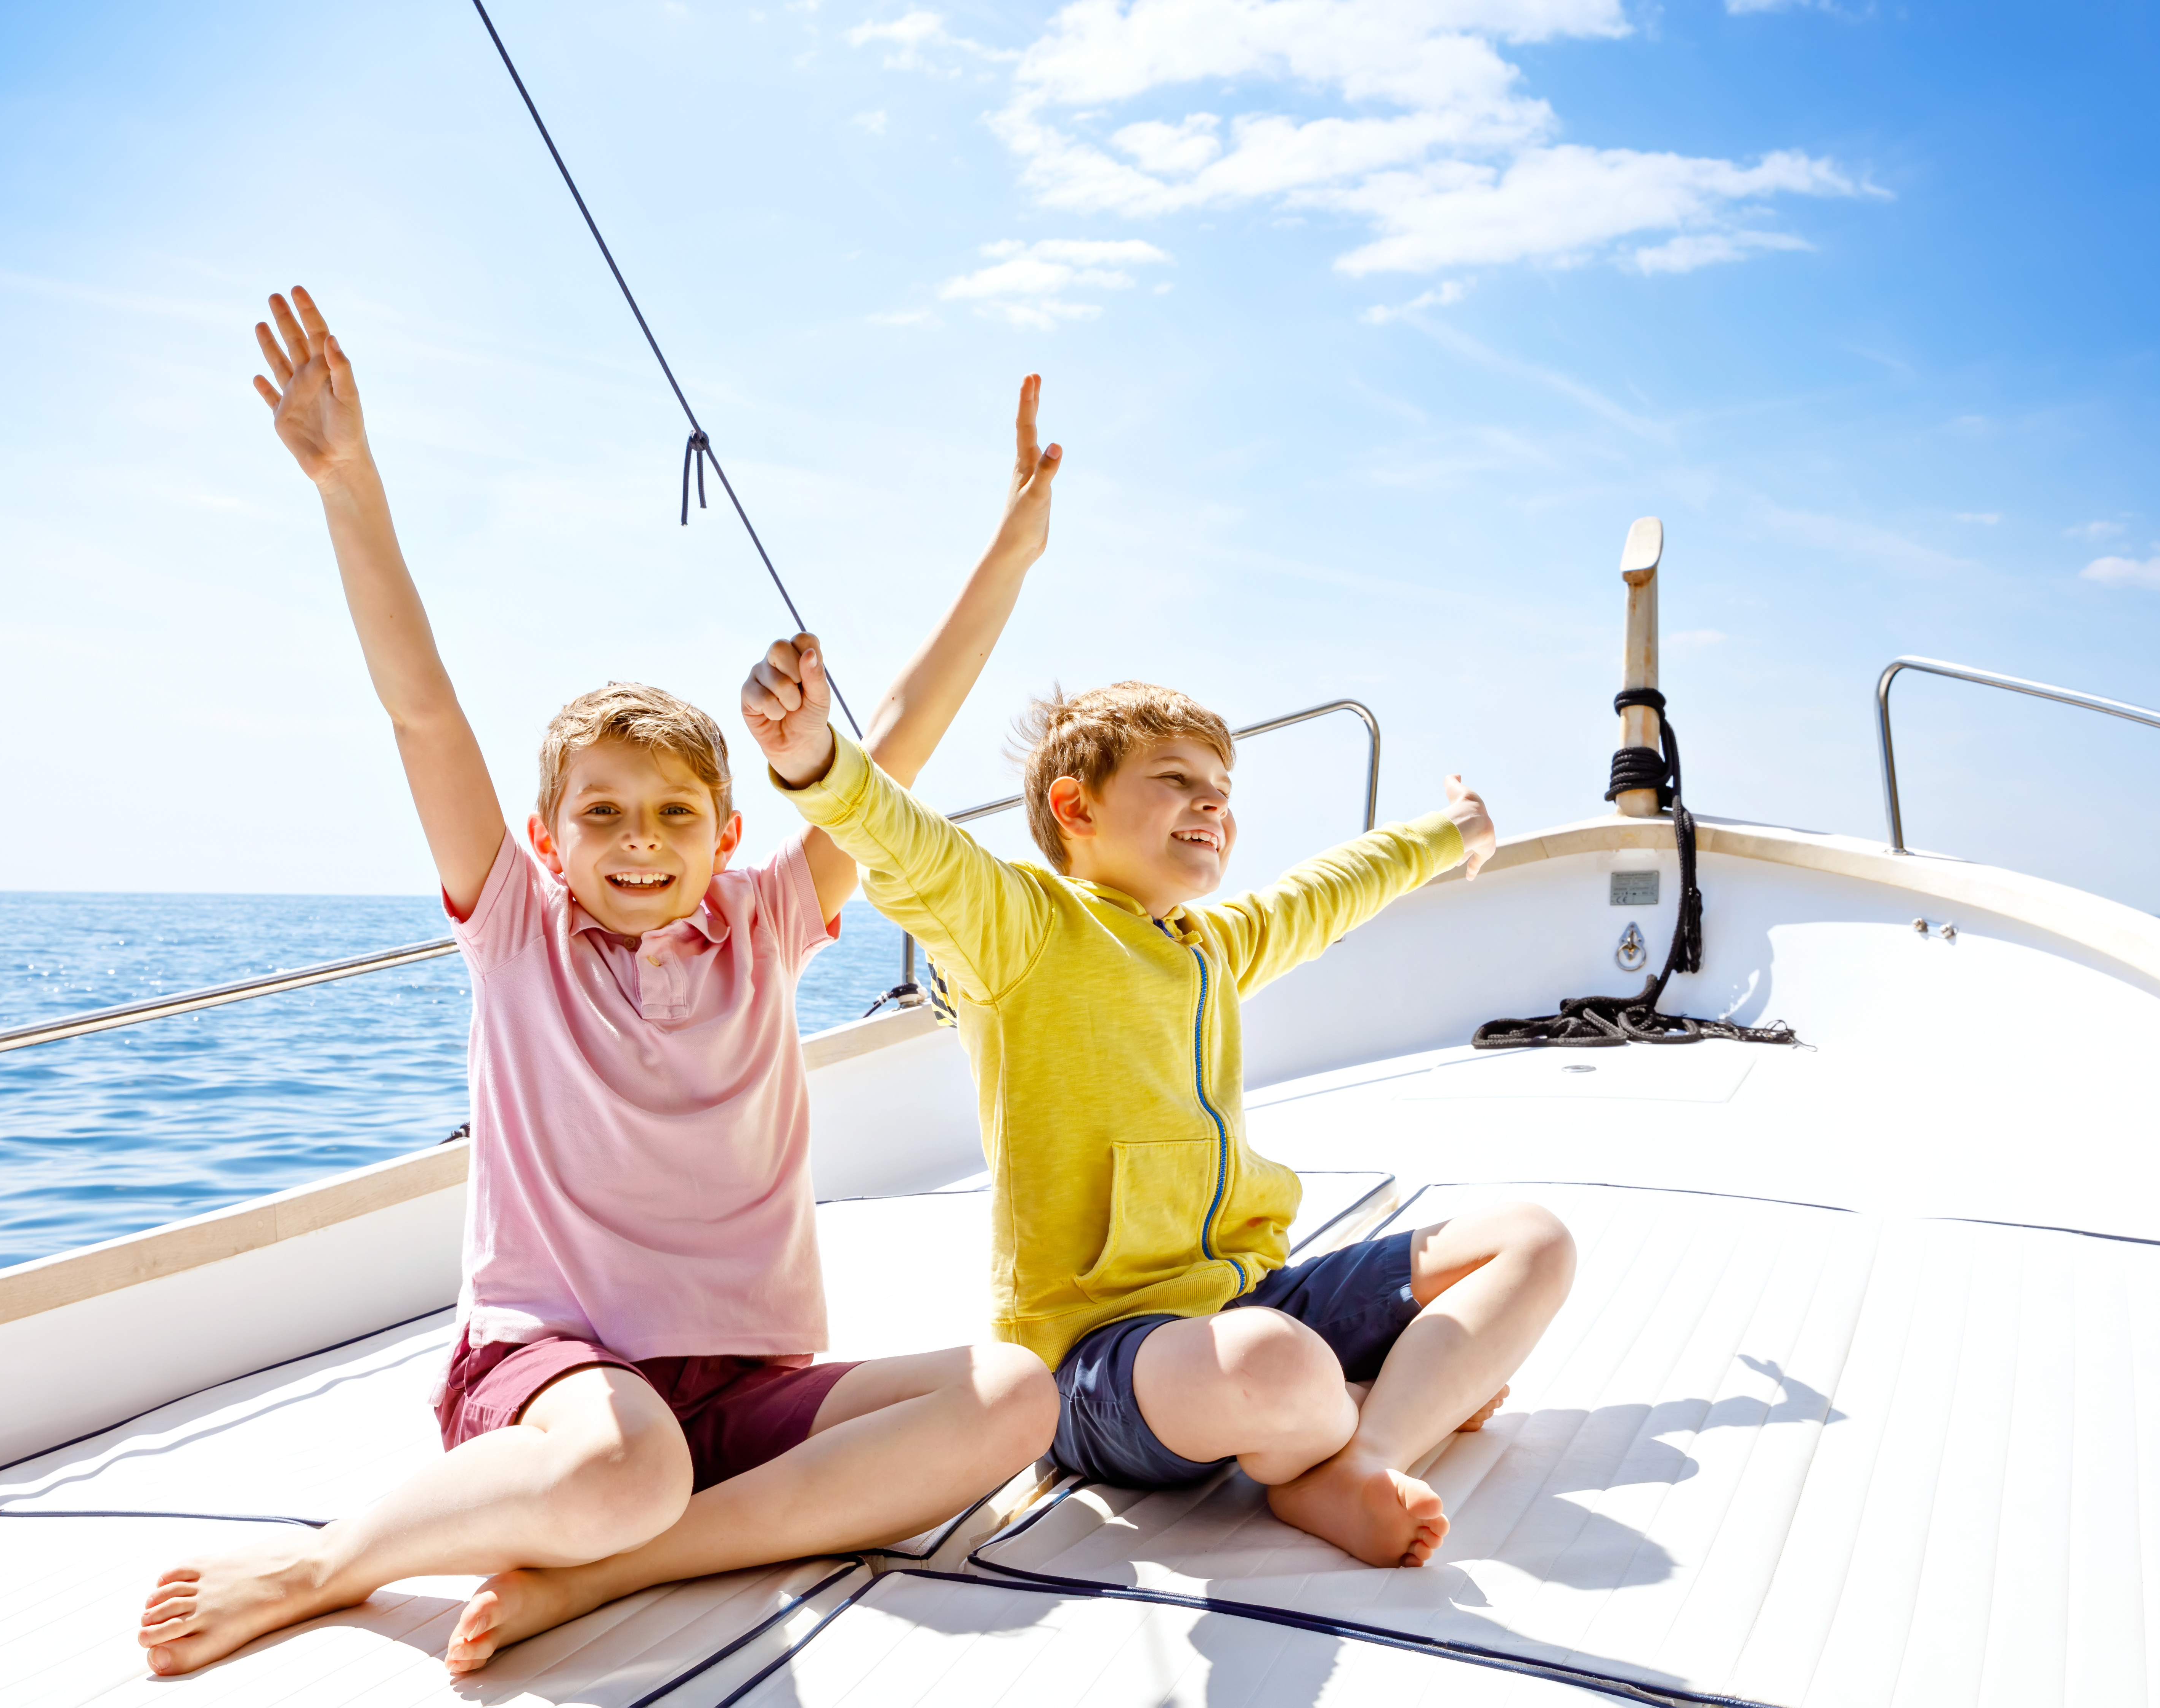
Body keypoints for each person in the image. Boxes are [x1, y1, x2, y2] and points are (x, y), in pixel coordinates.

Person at [136, 287, 1059, 1678]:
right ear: (547, 838)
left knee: (1015, 1398)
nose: (643, 844)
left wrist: (1014, 549)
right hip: (558, 1378)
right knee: (625, 1468)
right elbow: (422, 707)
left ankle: (620, 1572)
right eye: (606, 815)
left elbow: (901, 747)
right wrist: (349, 482)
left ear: (728, 833)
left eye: (678, 815)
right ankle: (328, 1563)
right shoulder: (514, 925)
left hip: (746, 1386)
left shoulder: (773, 919)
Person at [740, 626, 1576, 1573]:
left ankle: (1361, 1453)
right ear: (1075, 806)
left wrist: (1451, 832)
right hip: (1103, 1360)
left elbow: (1331, 889)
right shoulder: (1022, 928)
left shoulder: (1214, 942)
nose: (1213, 800)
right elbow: (911, 852)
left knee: (1531, 1240)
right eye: (1176, 778)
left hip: (1248, 1297)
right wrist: (814, 759)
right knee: (1279, 1363)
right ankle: (1373, 1400)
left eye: (1222, 787)